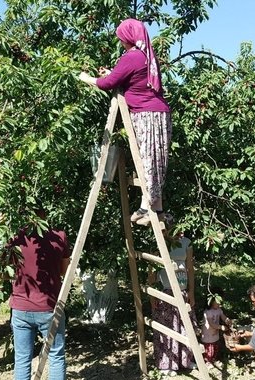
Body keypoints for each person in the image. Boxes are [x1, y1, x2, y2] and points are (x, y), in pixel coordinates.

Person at [79, 18, 172, 226]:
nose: (121, 42)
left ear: (128, 38)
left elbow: (108, 83)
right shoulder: (147, 55)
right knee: (156, 160)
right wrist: (113, 74)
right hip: (159, 113)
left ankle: (145, 207)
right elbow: (130, 78)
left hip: (146, 115)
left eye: (121, 38)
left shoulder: (132, 56)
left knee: (147, 159)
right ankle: (156, 208)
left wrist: (87, 79)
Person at [8, 207, 71, 380]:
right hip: (49, 307)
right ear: (45, 214)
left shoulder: (15, 238)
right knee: (56, 356)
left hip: (20, 307)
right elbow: (63, 271)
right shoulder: (59, 237)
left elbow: (5, 272)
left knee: (22, 358)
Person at [148, 230, 196, 375]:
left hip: (182, 290)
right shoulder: (159, 243)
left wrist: (191, 291)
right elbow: (152, 271)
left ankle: (185, 360)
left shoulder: (186, 242)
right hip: (165, 289)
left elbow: (190, 268)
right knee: (167, 327)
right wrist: (152, 294)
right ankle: (166, 364)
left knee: (184, 326)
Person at [201, 295, 231, 364]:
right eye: (217, 303)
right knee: (209, 349)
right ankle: (207, 362)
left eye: (220, 302)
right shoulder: (208, 312)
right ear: (211, 302)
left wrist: (227, 320)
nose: (219, 304)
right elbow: (211, 324)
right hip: (208, 334)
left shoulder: (219, 310)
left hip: (215, 333)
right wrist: (221, 327)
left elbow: (223, 316)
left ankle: (212, 360)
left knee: (215, 347)